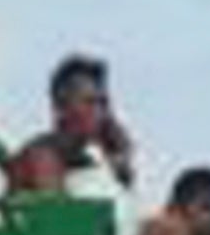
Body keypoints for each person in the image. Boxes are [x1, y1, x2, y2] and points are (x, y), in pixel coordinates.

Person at [7, 52, 136, 195]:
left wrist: (121, 158)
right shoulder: (43, 157)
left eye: (103, 104)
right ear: (61, 108)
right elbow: (57, 213)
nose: (99, 113)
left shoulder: (83, 162)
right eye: (89, 103)